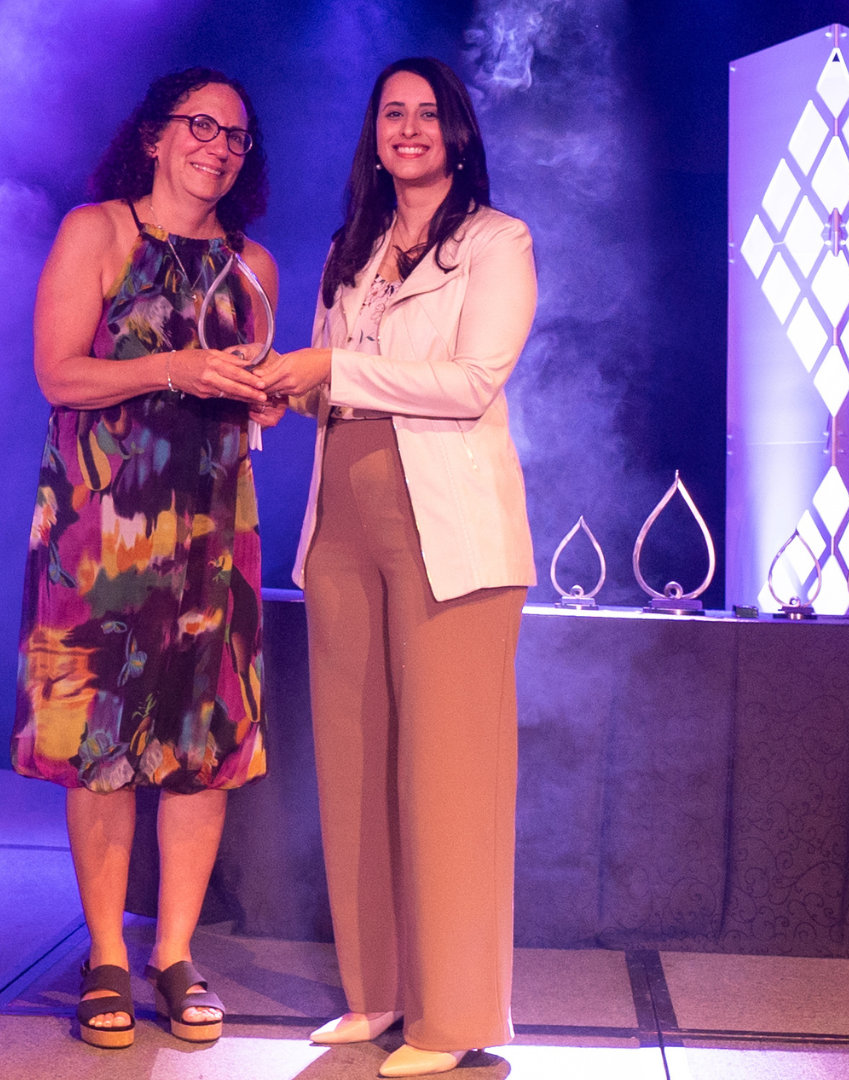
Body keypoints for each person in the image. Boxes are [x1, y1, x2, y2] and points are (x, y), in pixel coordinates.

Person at [259, 57, 537, 1079]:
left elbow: (469, 384)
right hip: (343, 523)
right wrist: (275, 385)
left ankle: (453, 1014)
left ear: (457, 133)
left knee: (448, 775)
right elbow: (335, 383)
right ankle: (377, 997)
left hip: (447, 536)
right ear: (374, 134)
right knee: (357, 763)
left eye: (428, 114)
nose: (410, 129)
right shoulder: (354, 249)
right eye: (393, 114)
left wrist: (329, 367)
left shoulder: (498, 243)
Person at [12, 66, 284, 1050]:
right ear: (155, 136)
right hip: (103, 527)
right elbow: (57, 371)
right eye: (199, 126)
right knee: (102, 753)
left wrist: (269, 397)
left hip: (214, 533)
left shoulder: (255, 265)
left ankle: (174, 953)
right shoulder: (99, 230)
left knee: (200, 754)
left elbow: (254, 392)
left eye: (235, 136)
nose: (216, 145)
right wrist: (172, 366)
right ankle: (107, 956)